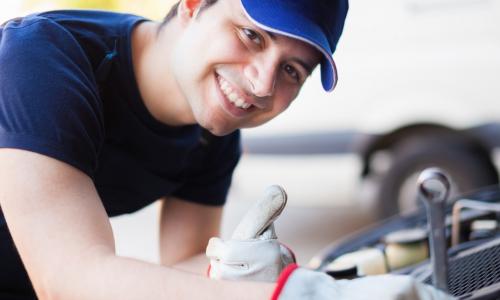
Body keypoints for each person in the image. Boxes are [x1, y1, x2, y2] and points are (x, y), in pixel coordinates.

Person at [0, 0, 454, 299]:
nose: (261, 83)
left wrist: (253, 270)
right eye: (252, 36)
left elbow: (183, 264)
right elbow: (69, 277)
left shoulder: (213, 130)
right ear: (194, 5)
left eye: (292, 71)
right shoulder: (41, 60)